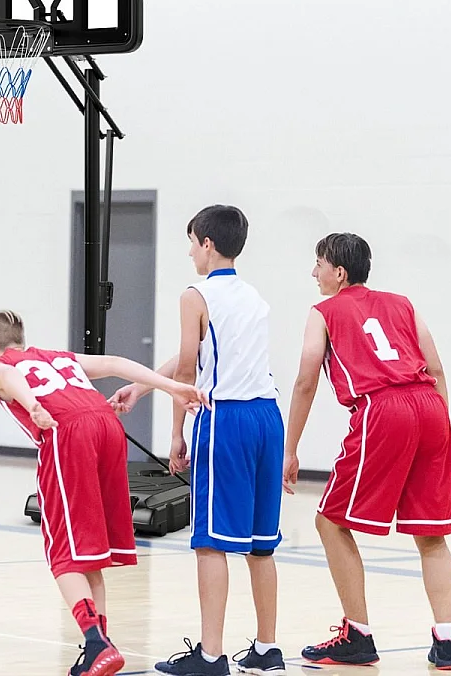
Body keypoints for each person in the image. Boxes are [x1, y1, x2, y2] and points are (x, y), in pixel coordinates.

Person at [0, 310, 209, 676]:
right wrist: (170, 387)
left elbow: (8, 374)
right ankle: (99, 647)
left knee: (63, 552)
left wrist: (33, 404)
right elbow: (115, 362)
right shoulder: (56, 357)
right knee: (91, 552)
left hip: (67, 432)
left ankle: (96, 642)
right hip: (106, 425)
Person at [112, 205, 285, 676]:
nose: (190, 251)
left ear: (207, 244)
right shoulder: (253, 296)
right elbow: (198, 354)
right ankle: (268, 649)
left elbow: (188, 372)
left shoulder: (195, 294)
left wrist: (174, 435)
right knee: (260, 545)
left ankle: (211, 656)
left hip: (225, 419)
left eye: (192, 241)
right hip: (267, 418)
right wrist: (143, 383)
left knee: (210, 543)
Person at [282, 233, 451, 671]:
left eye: (318, 264)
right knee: (431, 533)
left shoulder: (323, 311)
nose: (313, 273)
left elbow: (306, 381)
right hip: (431, 406)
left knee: (328, 520)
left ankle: (357, 635)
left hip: (384, 408)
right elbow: (435, 368)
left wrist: (290, 450)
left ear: (339, 273)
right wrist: (439, 428)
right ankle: (447, 642)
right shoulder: (403, 303)